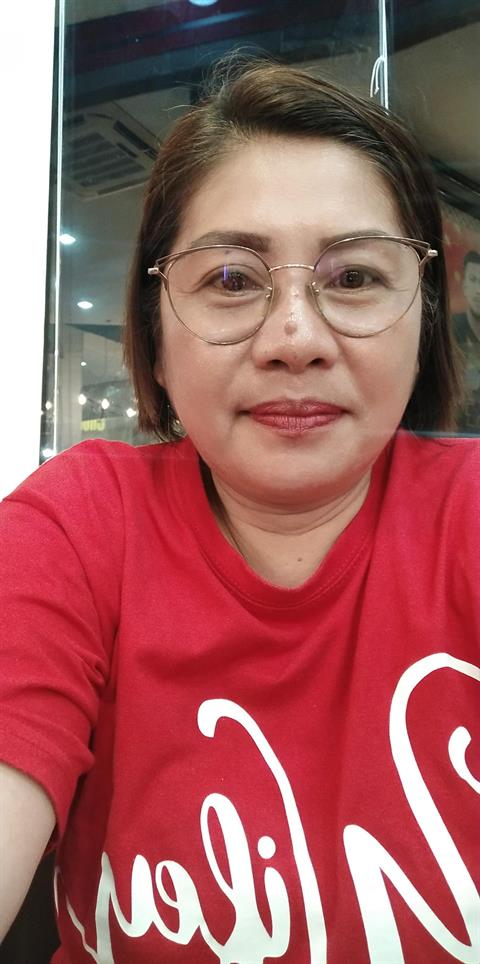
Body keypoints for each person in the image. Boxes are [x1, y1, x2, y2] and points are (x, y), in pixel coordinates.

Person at [0, 58, 479, 964]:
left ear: (422, 322)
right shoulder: (76, 528)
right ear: (155, 329)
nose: (295, 338)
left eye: (354, 278)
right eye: (230, 279)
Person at [452, 250, 480, 433]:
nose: (479, 290)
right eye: (473, 280)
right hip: (456, 433)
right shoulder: (450, 330)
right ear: (465, 286)